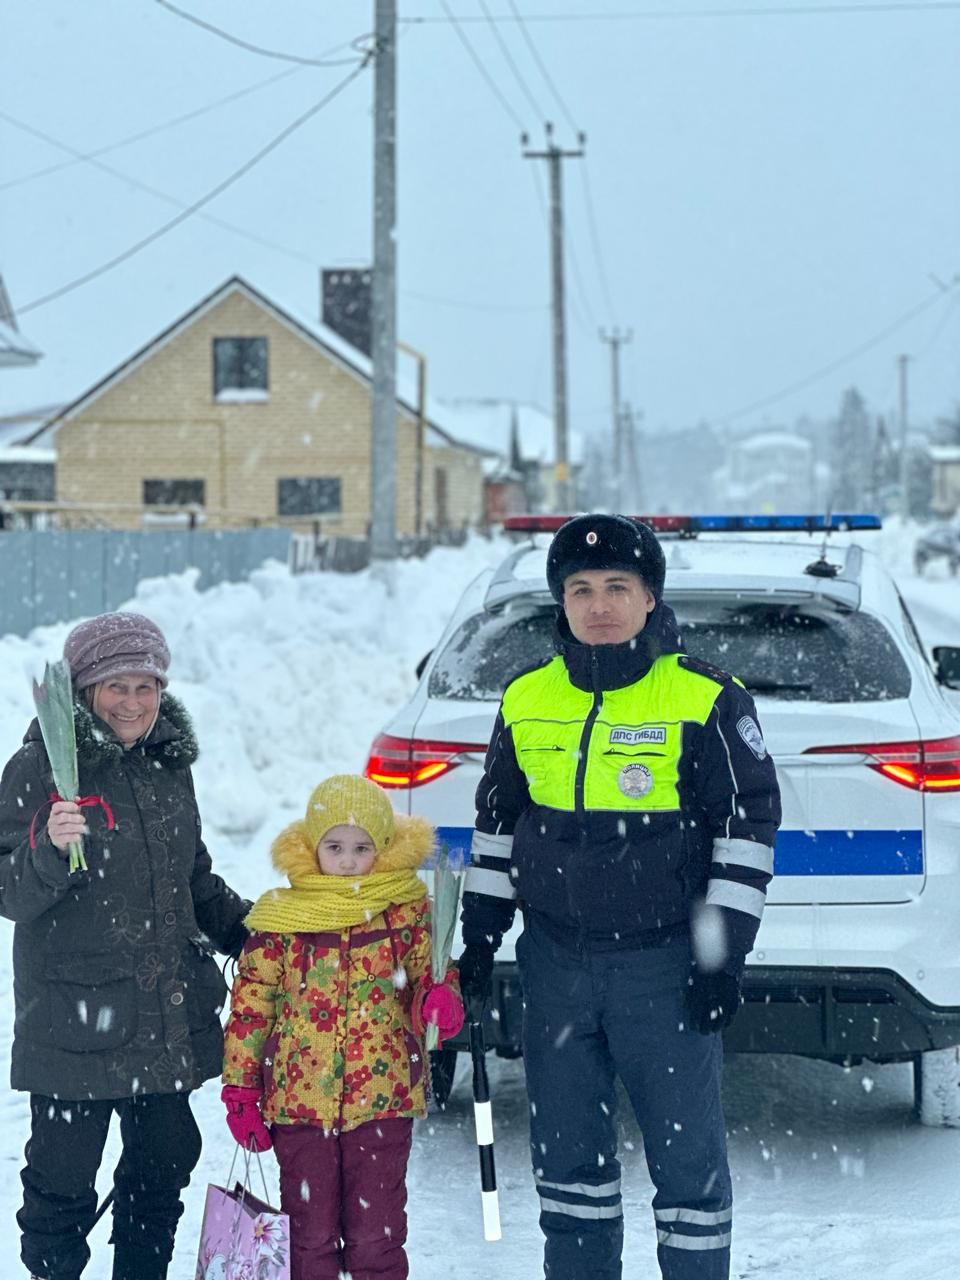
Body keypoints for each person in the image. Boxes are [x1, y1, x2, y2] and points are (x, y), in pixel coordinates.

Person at [457, 513, 782, 1280]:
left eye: (616, 587)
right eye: (580, 589)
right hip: (555, 964)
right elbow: (499, 822)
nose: (598, 604)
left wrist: (720, 958)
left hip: (663, 965)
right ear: (560, 602)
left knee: (687, 1171)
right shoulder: (527, 698)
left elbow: (746, 830)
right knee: (569, 1170)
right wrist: (477, 936)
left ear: (648, 598)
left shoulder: (705, 697)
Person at [0, 611, 252, 1280]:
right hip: (73, 1023)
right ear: (84, 690)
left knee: (162, 1168)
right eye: (117, 686)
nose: (133, 703)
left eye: (146, 686)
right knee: (61, 1180)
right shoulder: (39, 767)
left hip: (161, 1018)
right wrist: (49, 849)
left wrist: (257, 932)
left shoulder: (169, 766)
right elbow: (8, 893)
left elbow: (191, 879)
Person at [220, 774, 464, 1280]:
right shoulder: (281, 919)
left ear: (383, 849)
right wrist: (240, 1090)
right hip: (298, 1104)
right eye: (335, 846)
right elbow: (251, 1009)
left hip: (383, 1099)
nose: (348, 860)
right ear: (313, 848)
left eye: (361, 847)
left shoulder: (404, 912)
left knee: (377, 1234)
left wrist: (440, 999)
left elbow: (429, 976)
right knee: (307, 1237)